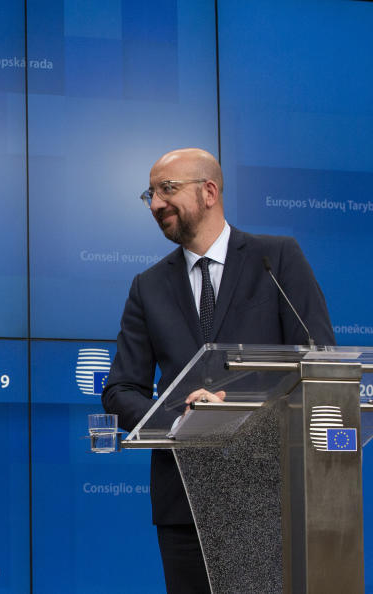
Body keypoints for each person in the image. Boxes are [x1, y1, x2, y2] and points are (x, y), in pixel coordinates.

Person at [101, 148, 334, 593]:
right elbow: (120, 390)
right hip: (182, 504)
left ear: (209, 192)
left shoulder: (277, 259)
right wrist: (187, 423)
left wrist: (242, 416)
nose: (155, 203)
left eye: (167, 189)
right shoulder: (147, 287)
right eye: (149, 194)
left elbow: (319, 365)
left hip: (269, 497)